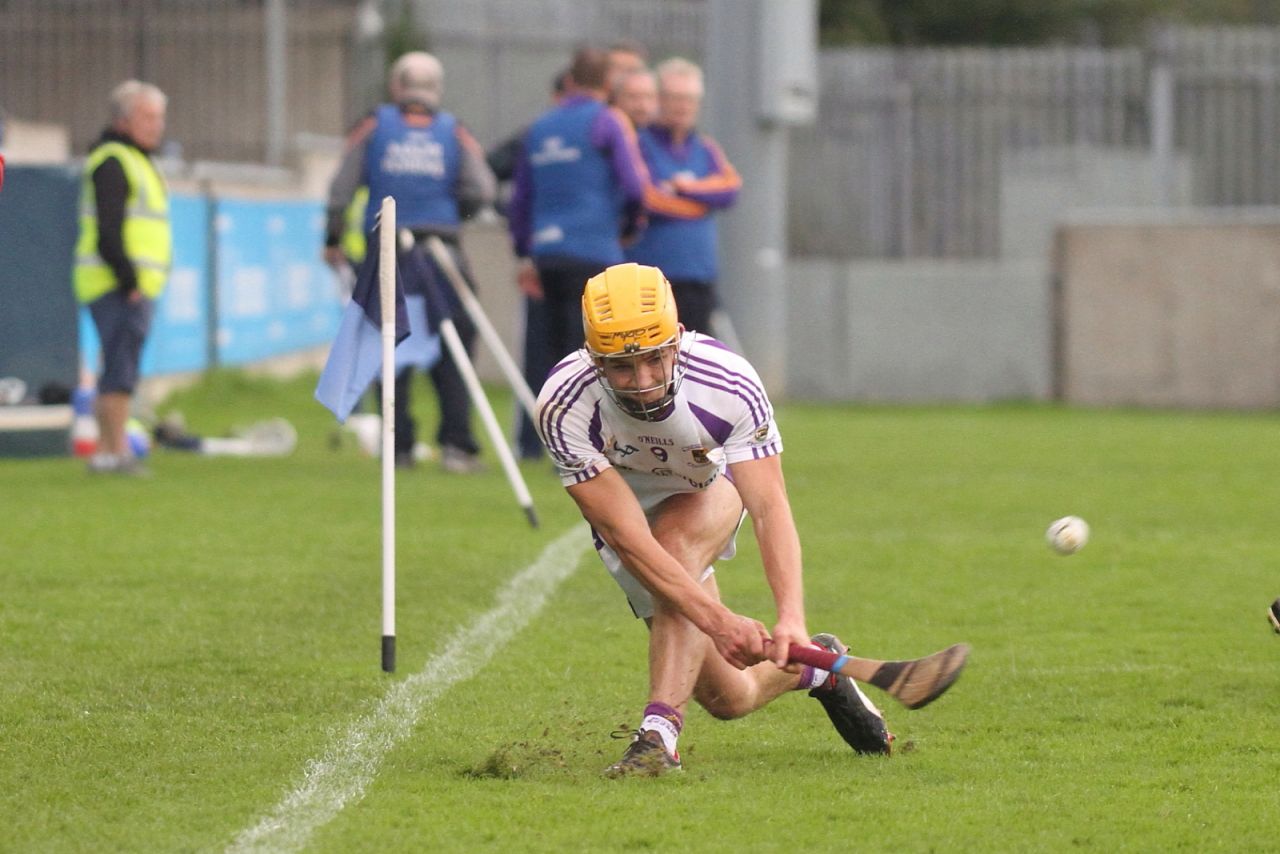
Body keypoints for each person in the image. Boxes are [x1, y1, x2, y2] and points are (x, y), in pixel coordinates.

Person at [534, 262, 893, 777]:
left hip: (708, 486)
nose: (643, 383)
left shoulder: (728, 383)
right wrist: (717, 622)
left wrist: (790, 615)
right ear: (594, 360)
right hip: (633, 519)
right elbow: (627, 536)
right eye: (621, 368)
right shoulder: (562, 405)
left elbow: (770, 506)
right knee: (728, 697)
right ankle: (820, 671)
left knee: (676, 544)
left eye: (655, 360)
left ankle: (656, 739)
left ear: (677, 340)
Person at [508, 47, 703, 461]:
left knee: (544, 350)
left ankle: (531, 443)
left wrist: (525, 251)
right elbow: (636, 186)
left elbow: (521, 198)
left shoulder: (539, 127)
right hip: (594, 252)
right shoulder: (607, 121)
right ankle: (592, 443)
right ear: (607, 85)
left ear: (572, 81)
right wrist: (632, 226)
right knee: (597, 355)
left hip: (546, 253)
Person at [324, 51, 497, 472]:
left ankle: (398, 444)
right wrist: (457, 209)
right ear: (436, 88)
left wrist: (332, 237)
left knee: (389, 345)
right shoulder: (453, 132)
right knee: (454, 347)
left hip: (388, 253)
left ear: (395, 86)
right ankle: (458, 444)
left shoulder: (373, 126)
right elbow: (482, 188)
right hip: (442, 252)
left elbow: (341, 188)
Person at [73, 80, 171, 476]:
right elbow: (108, 231)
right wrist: (129, 281)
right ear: (123, 119)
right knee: (119, 371)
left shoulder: (136, 159)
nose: (157, 125)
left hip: (124, 285)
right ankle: (115, 454)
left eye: (159, 117)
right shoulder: (115, 161)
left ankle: (105, 451)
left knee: (115, 368)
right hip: (117, 286)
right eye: (148, 116)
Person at [626, 58, 741, 335]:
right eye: (675, 97)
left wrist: (686, 188)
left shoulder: (706, 148)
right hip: (652, 279)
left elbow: (730, 188)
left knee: (694, 361)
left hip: (698, 275)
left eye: (690, 99)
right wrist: (702, 205)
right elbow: (649, 197)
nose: (683, 106)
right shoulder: (639, 142)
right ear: (659, 99)